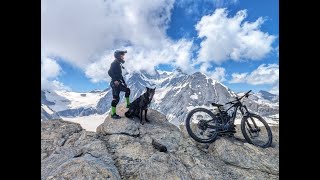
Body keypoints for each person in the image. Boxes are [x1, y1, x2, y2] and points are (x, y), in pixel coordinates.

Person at [108, 50, 131, 119]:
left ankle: (128, 104)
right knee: (116, 99)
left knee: (127, 90)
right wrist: (115, 80)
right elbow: (109, 72)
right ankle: (113, 114)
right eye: (122, 56)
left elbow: (120, 76)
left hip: (119, 83)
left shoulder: (118, 63)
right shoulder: (114, 63)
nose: (123, 57)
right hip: (115, 84)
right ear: (118, 56)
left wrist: (124, 83)